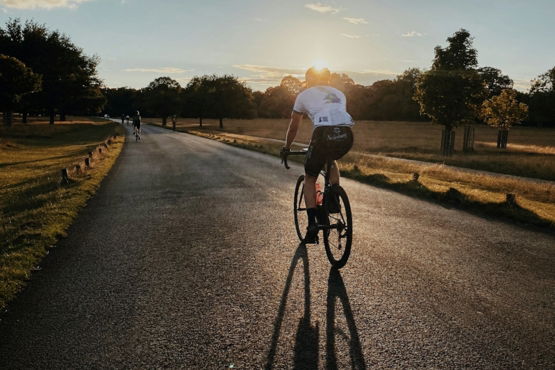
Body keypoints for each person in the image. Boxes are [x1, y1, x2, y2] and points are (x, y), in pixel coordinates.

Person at [281, 67, 354, 243]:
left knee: (310, 177)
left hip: (322, 133)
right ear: (328, 79)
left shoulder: (304, 95)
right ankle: (334, 197)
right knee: (331, 159)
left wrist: (286, 147)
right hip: (346, 134)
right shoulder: (339, 93)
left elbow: (294, 125)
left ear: (308, 79)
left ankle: (312, 227)